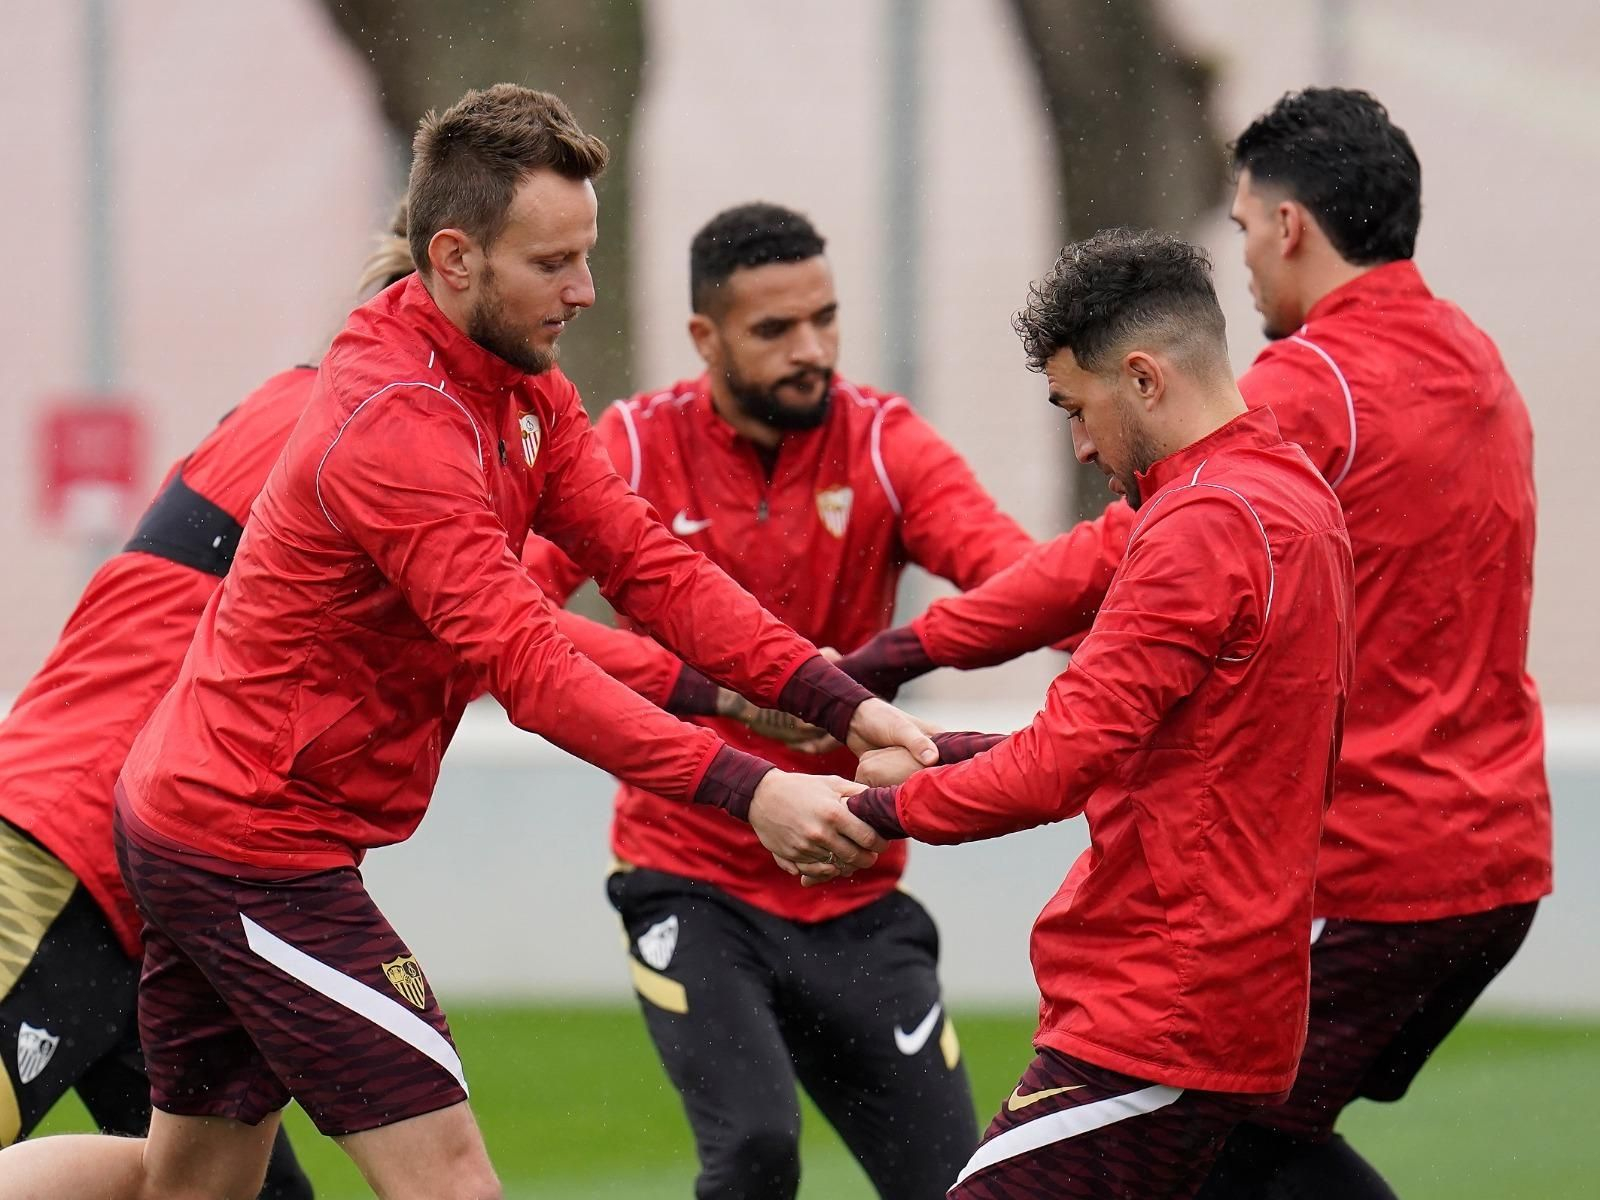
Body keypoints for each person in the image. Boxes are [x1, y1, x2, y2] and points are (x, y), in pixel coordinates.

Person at [0, 84, 937, 1200]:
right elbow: (528, 664)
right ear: (451, 260)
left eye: (585, 256)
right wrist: (753, 789)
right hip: (244, 845)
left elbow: (649, 566)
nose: (584, 290)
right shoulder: (392, 424)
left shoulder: (516, 389)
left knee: (193, 1186)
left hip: (201, 820)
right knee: (450, 1177)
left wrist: (837, 701)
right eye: (552, 263)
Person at [841, 88, 1551, 1200]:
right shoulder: (1470, 360)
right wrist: (952, 749)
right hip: (1492, 849)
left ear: (1290, 227)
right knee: (1243, 1149)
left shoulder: (1281, 421)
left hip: (1334, 887)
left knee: (1228, 1140)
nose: (1247, 258)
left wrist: (894, 662)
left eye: (1243, 225)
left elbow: (1099, 593)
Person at [522, 201, 1037, 1199]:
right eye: (774, 329)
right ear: (704, 338)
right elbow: (509, 616)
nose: (812, 351)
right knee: (756, 1151)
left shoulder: (885, 444)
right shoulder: (630, 446)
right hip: (692, 878)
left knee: (956, 1184)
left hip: (855, 884)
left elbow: (1020, 582)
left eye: (824, 318)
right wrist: (719, 695)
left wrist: (859, 676)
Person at [843, 227, 1354, 1199]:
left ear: (1144, 379)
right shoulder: (1290, 494)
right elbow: (1166, 755)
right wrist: (942, 751)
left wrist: (870, 814)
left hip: (1158, 1011)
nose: (1080, 444)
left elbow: (1057, 767)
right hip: (1221, 998)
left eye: (1077, 409)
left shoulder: (1203, 523)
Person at [0, 215, 413, 1195]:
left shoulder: (305, 411)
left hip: (156, 889)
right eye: (551, 268)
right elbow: (522, 638)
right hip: (65, 844)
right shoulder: (347, 431)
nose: (578, 294)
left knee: (228, 1188)